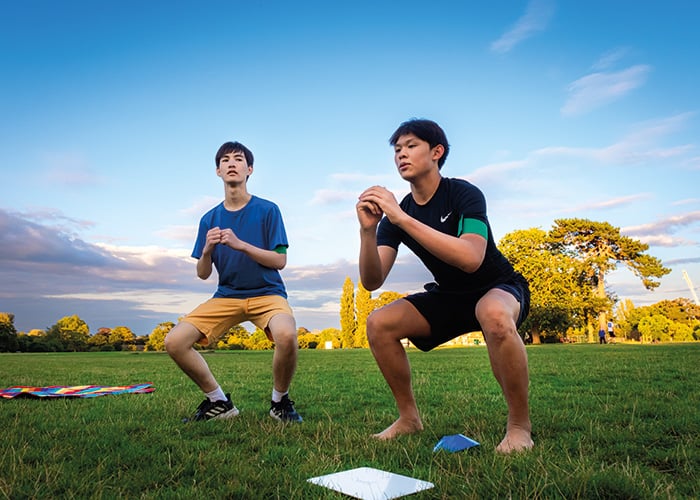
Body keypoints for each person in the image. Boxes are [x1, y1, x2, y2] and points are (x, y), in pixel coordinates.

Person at [356, 119, 532, 453]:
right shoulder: (399, 214)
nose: (401, 155)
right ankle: (408, 419)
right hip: (451, 295)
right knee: (379, 323)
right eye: (397, 149)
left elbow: (471, 257)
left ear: (437, 152)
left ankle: (520, 427)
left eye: (411, 146)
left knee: (492, 313)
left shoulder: (463, 193)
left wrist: (401, 218)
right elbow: (372, 280)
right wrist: (368, 231)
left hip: (497, 286)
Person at [165, 141, 302, 423]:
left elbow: (280, 261)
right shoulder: (209, 219)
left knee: (286, 335)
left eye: (238, 159)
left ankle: (280, 402)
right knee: (175, 341)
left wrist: (241, 245)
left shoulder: (268, 210)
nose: (231, 163)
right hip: (227, 296)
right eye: (225, 160)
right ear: (218, 171)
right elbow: (203, 273)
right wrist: (206, 251)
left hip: (267, 294)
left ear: (249, 169)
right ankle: (218, 402)